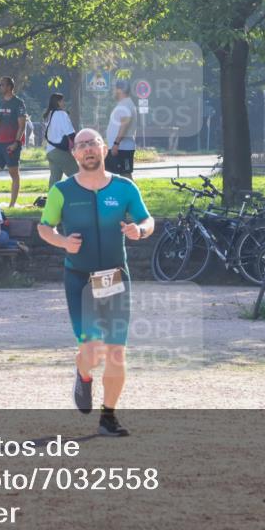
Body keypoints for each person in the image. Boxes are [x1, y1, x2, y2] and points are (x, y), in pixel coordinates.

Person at [38, 128, 155, 437]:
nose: (88, 149)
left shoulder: (125, 188)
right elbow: (44, 227)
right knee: (91, 350)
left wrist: (139, 231)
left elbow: (148, 220)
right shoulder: (62, 191)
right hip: (79, 280)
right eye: (81, 145)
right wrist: (63, 242)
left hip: (116, 277)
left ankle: (109, 417)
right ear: (74, 153)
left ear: (104, 149)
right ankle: (83, 373)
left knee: (116, 351)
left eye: (93, 143)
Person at [0, 76, 27, 207]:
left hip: (12, 143)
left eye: (2, 85)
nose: (0, 87)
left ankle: (12, 204)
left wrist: (16, 142)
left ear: (9, 87)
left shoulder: (18, 103)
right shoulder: (0, 103)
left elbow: (22, 125)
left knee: (13, 173)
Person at [43, 93, 79, 190]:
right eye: (63, 101)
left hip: (50, 151)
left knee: (55, 180)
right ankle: (84, 198)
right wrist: (80, 145)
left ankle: (51, 201)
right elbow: (70, 133)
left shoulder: (50, 114)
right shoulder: (62, 114)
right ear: (58, 102)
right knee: (78, 176)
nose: (64, 103)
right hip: (60, 152)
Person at [105, 80, 137, 179]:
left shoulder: (125, 104)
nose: (113, 91)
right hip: (120, 147)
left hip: (122, 147)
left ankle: (132, 194)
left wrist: (116, 143)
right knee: (110, 174)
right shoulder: (124, 103)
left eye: (114, 88)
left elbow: (124, 124)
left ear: (120, 90)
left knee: (125, 175)